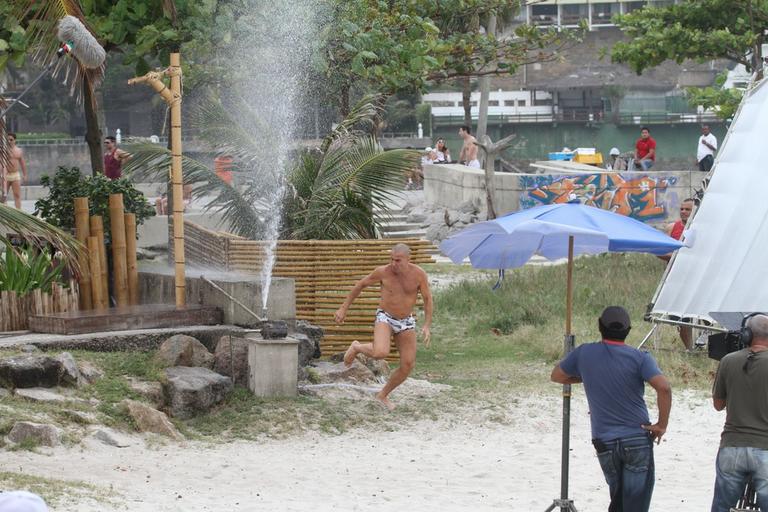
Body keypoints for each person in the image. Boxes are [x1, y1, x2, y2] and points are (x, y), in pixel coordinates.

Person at [551, 306, 672, 512]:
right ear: (628, 330)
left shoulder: (584, 353)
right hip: (636, 436)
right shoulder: (640, 357)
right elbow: (664, 388)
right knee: (635, 504)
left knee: (618, 500)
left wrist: (586, 378)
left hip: (604, 441)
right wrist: (661, 424)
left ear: (600, 326)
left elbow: (557, 376)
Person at [335, 243, 433, 410]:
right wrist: (343, 307)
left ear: (408, 259)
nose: (394, 263)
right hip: (385, 317)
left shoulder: (419, 274)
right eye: (392, 259)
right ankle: (357, 347)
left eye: (398, 260)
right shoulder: (383, 272)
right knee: (380, 353)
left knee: (408, 365)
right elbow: (360, 285)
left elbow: (427, 299)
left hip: (406, 321)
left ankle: (383, 395)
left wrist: (427, 325)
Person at [710, 314, 768, 512]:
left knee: (721, 507)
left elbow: (718, 405)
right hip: (765, 449)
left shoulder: (728, 361)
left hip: (732, 446)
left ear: (746, 334)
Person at [659, 198, 695, 349]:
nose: (683, 212)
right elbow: (661, 251)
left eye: (687, 209)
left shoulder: (702, 229)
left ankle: (702, 342)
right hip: (675, 278)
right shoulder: (671, 227)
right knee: (679, 316)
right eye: (682, 209)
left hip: (695, 278)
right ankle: (689, 348)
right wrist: (679, 257)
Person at [1, 133, 28, 209]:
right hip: (5, 175)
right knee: (4, 195)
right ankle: (5, 213)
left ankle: (19, 212)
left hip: (15, 175)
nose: (9, 141)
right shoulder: (3, 150)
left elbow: (23, 163)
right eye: (8, 140)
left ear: (15, 140)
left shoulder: (19, 150)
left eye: (11, 140)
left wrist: (25, 175)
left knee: (17, 195)